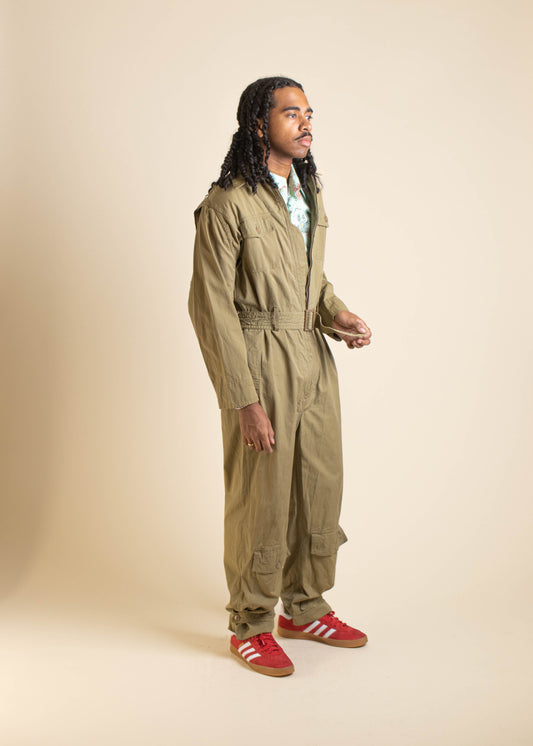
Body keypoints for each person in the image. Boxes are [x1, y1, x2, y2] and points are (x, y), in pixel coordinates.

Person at [188, 76, 372, 677]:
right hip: (259, 359)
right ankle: (250, 622)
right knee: (261, 495)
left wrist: (336, 314)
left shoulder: (307, 193)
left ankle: (306, 606)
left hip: (313, 357)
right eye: (291, 113)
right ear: (257, 123)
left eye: (309, 113)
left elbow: (310, 279)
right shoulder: (227, 204)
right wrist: (243, 399)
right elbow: (211, 306)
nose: (305, 122)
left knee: (319, 483)